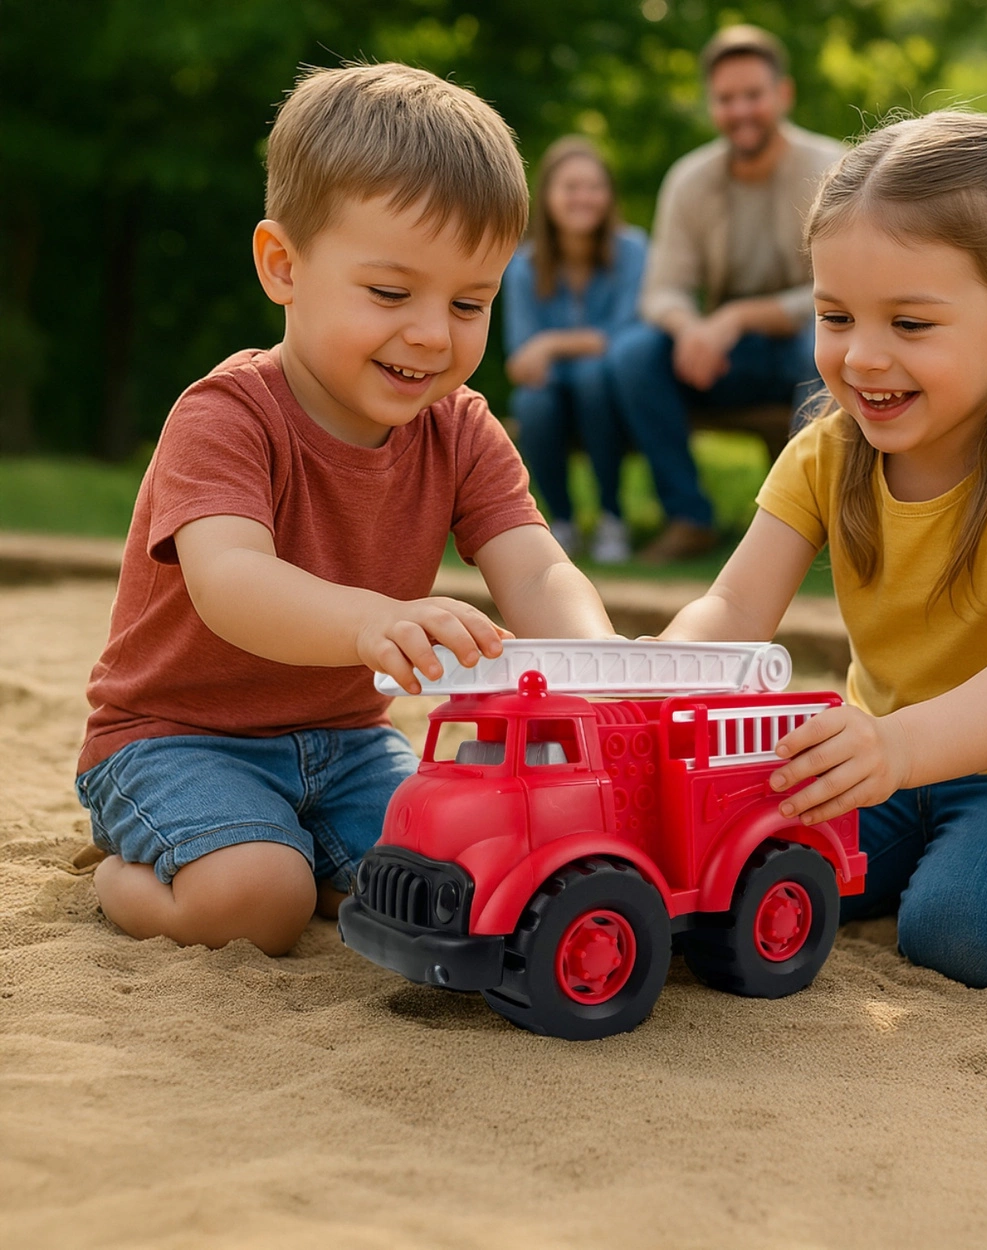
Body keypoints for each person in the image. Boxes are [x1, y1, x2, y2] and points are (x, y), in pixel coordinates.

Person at [74, 63, 617, 957]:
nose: (433, 334)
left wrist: (595, 665)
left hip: (348, 743)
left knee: (464, 877)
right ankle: (126, 875)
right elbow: (231, 582)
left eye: (470, 302)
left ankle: (314, 857)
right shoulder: (226, 416)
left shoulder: (461, 428)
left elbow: (535, 564)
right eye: (392, 294)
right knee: (260, 897)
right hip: (174, 739)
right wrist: (375, 622)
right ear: (283, 266)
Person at [662, 110, 987, 987]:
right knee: (725, 871)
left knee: (960, 933)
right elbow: (732, 607)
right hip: (894, 767)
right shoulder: (827, 453)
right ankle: (925, 858)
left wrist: (898, 748)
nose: (863, 357)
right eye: (836, 316)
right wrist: (665, 670)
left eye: (910, 324)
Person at [607, 25, 844, 564]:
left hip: (803, 342)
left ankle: (814, 524)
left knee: (822, 339)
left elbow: (844, 292)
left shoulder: (830, 167)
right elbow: (662, 290)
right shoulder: (689, 179)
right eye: (726, 99)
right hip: (721, 355)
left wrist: (739, 315)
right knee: (632, 355)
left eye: (753, 95)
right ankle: (689, 518)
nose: (741, 111)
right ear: (711, 106)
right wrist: (692, 328)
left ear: (782, 95)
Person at [503, 137, 647, 563]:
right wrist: (551, 351)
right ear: (547, 195)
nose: (583, 197)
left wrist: (550, 344)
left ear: (608, 195)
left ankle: (611, 516)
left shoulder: (633, 249)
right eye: (570, 187)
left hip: (608, 389)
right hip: (552, 390)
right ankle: (560, 520)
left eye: (594, 187)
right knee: (533, 402)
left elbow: (627, 332)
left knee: (592, 378)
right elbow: (521, 361)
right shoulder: (524, 267)